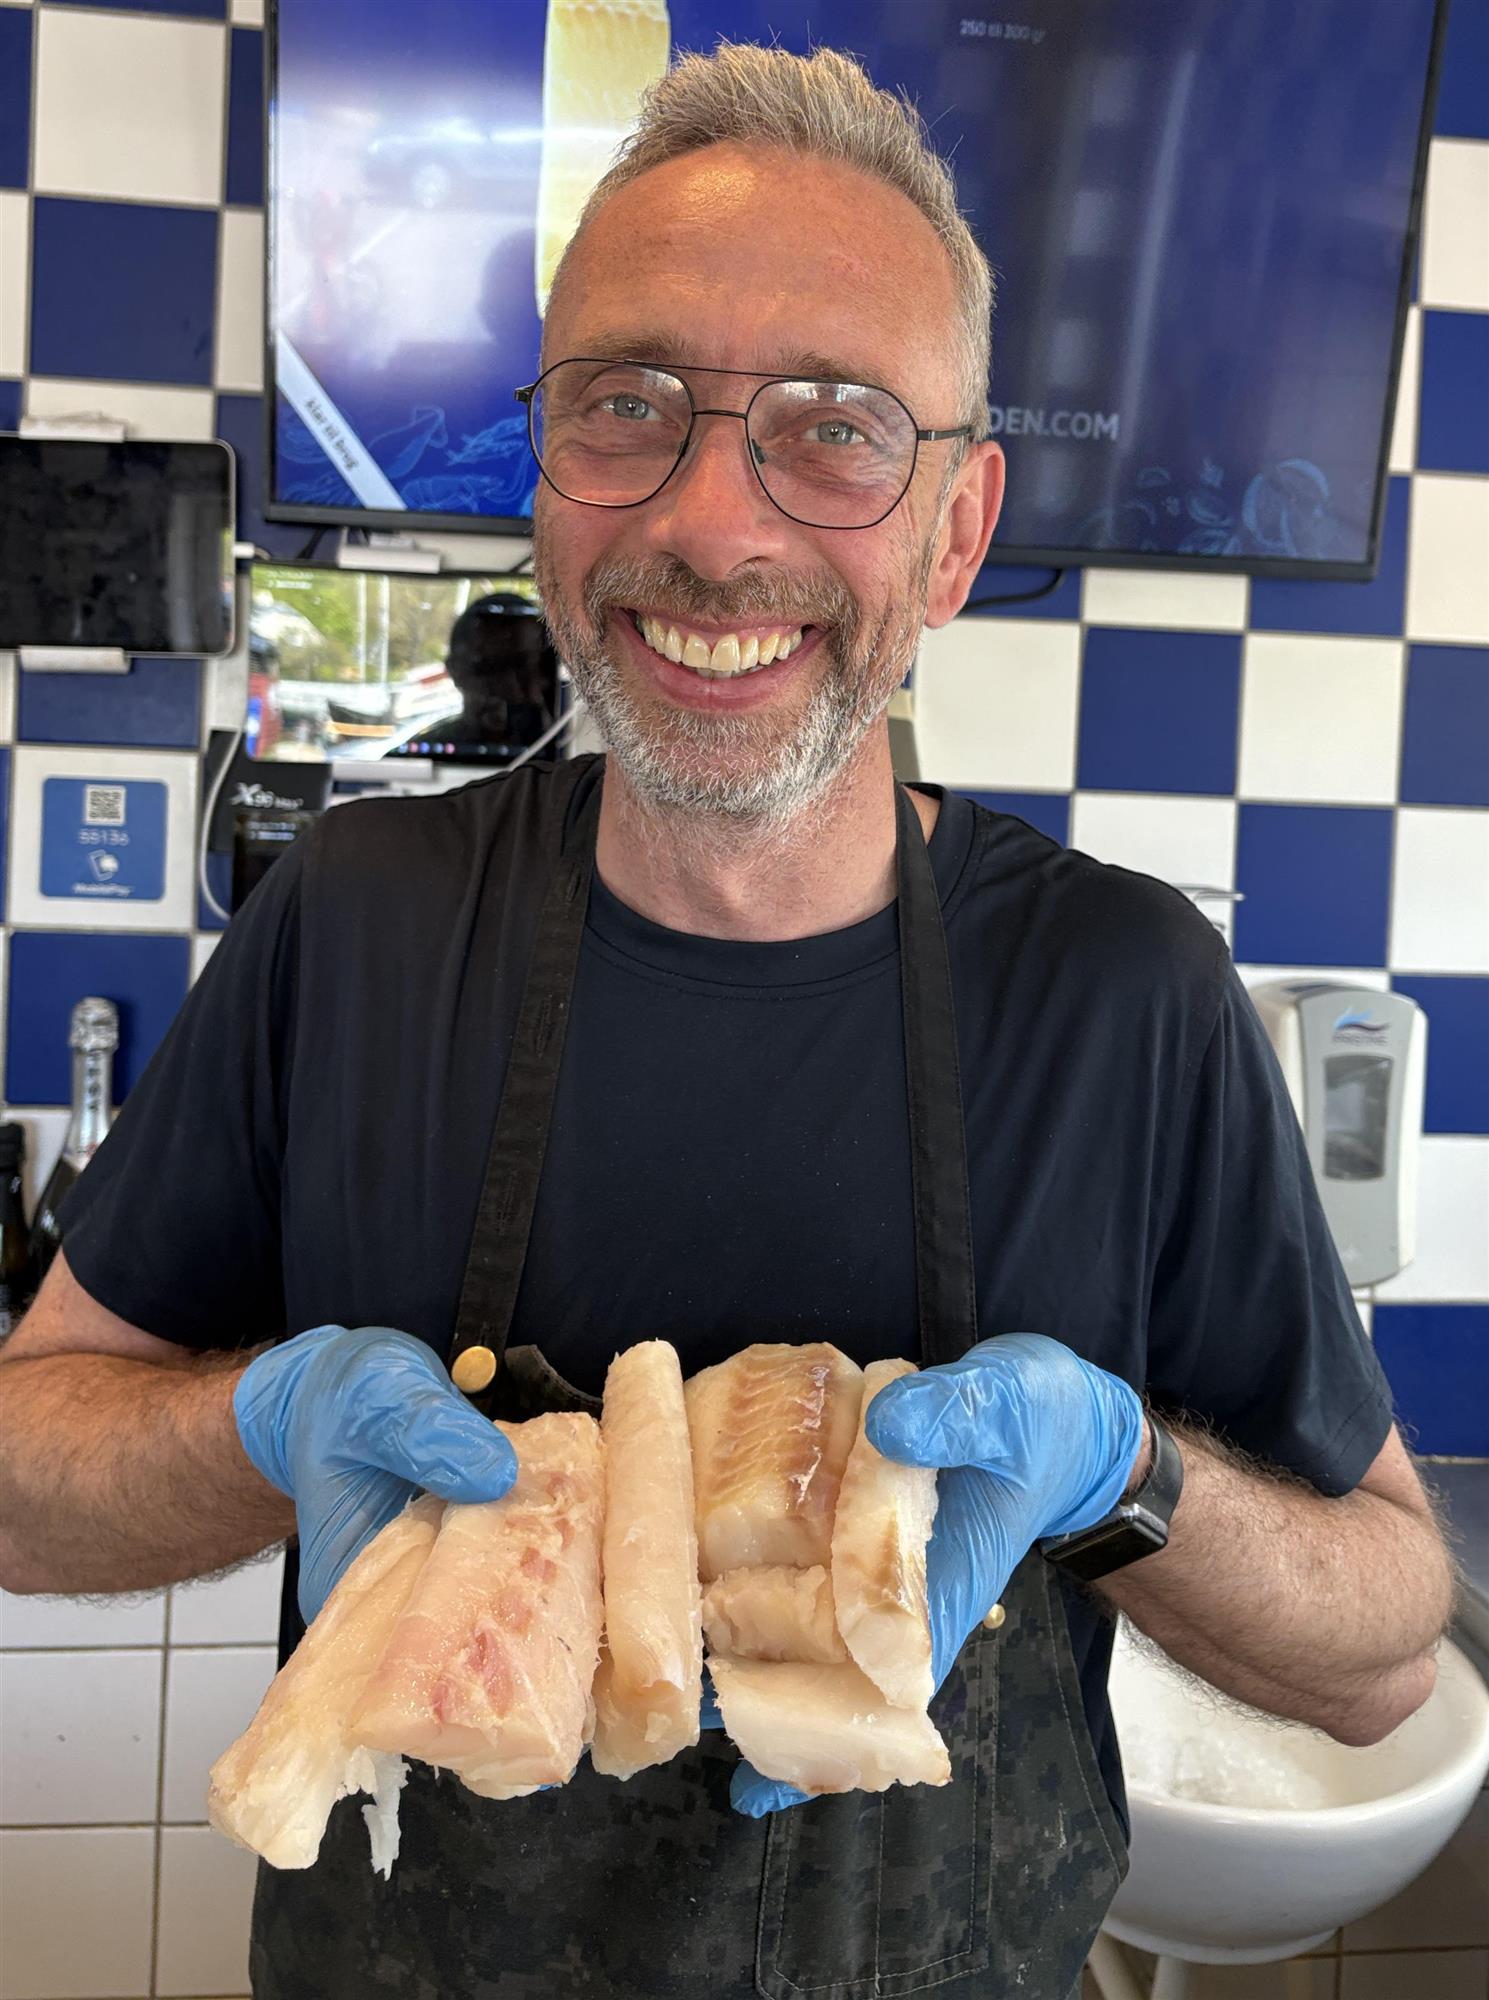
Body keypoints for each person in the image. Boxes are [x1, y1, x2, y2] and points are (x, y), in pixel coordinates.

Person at [0, 44, 1455, 2000]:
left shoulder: (1122, 996)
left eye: (831, 427)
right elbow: (21, 1481)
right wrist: (259, 1424)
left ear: (954, 530)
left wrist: (1123, 1472)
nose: (709, 520)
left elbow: (1379, 1653)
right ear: (545, 472)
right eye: (627, 404)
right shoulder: (350, 923)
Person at [436, 590, 558, 752]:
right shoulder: (437, 748)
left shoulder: (562, 747)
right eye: (497, 669)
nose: (516, 689)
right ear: (456, 670)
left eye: (536, 668)